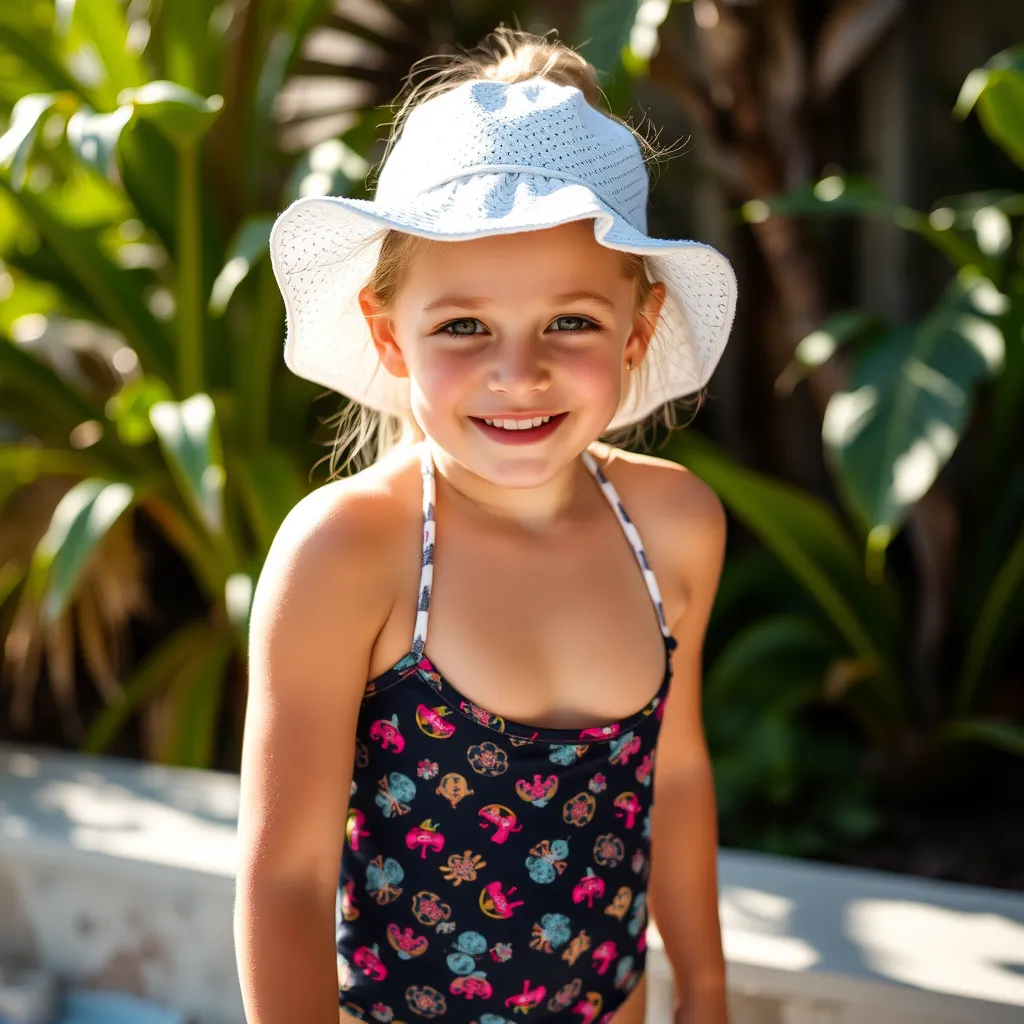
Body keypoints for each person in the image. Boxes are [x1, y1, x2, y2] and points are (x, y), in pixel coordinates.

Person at [234, 26, 737, 1024]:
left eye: (572, 322)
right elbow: (284, 880)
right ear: (390, 333)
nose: (519, 372)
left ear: (637, 332)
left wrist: (709, 991)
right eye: (464, 325)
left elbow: (672, 773)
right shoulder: (349, 553)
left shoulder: (673, 529)